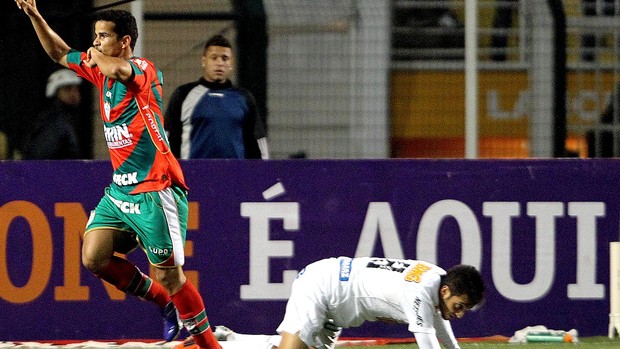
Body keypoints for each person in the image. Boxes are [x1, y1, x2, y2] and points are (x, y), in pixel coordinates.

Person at [15, 2, 221, 348]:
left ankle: (208, 345)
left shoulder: (142, 69)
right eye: (94, 37)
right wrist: (36, 16)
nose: (95, 44)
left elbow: (119, 71)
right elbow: (60, 52)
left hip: (156, 189)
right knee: (94, 256)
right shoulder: (99, 70)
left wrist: (96, 58)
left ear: (125, 42)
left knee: (172, 278)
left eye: (103, 37)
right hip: (121, 191)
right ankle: (163, 305)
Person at [189, 257, 486, 349]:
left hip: (337, 306)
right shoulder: (422, 290)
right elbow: (429, 341)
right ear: (446, 292)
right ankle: (210, 346)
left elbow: (440, 325)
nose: (457, 315)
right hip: (323, 287)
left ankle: (231, 340)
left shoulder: (435, 276)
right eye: (459, 306)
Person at [164, 34, 269, 159]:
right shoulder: (183, 95)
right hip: (193, 176)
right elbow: (166, 139)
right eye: (214, 58)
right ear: (204, 60)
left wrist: (263, 173)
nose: (219, 63)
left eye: (225, 58)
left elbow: (257, 142)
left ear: (231, 63)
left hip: (236, 176)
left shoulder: (244, 98)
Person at [22, 68, 81, 159]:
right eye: (68, 89)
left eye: (76, 89)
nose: (74, 94)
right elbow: (42, 157)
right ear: (55, 92)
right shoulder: (52, 121)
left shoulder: (67, 119)